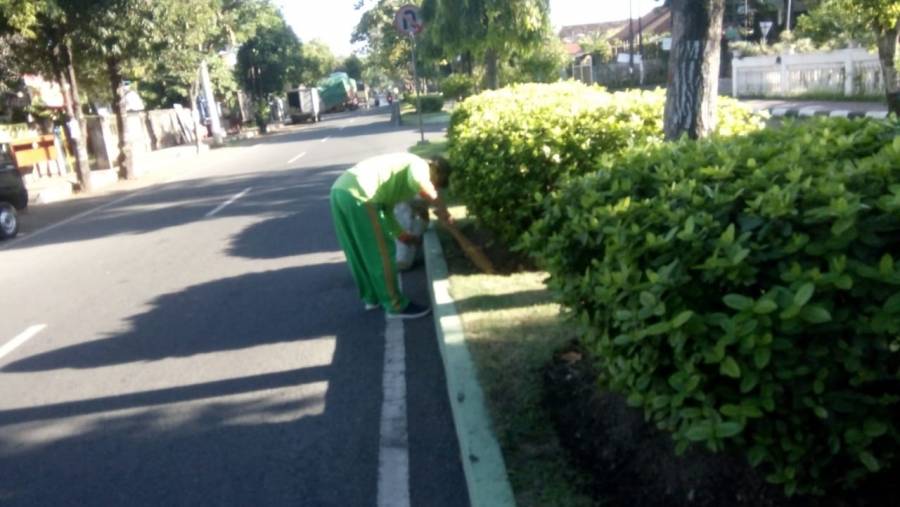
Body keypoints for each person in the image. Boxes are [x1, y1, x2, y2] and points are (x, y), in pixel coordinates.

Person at [330, 153, 451, 319]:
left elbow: (386, 210)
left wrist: (402, 235)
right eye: (437, 182)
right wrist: (442, 209)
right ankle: (396, 305)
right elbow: (421, 184)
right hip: (360, 194)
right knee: (382, 253)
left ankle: (372, 298)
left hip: (339, 191)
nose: (436, 186)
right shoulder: (419, 165)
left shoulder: (398, 180)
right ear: (435, 170)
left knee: (358, 252)